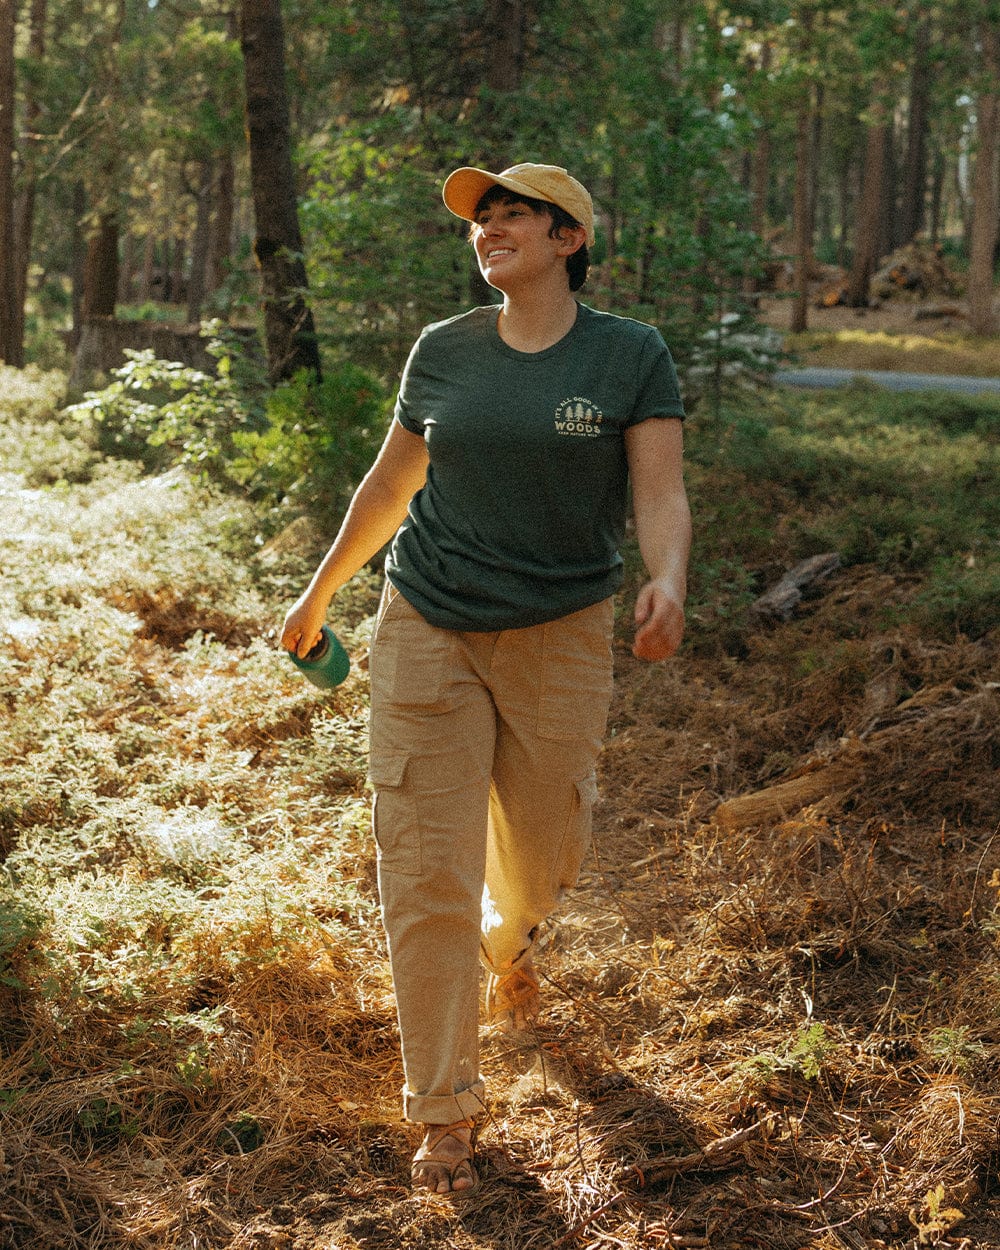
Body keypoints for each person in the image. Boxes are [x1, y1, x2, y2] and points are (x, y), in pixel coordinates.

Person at [281, 162, 691, 1196]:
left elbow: (660, 488)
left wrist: (668, 579)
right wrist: (320, 591)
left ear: (568, 240)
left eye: (514, 216)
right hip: (427, 621)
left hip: (558, 629)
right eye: (481, 219)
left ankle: (510, 944)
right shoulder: (444, 351)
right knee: (422, 862)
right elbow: (389, 479)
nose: (489, 229)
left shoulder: (627, 353)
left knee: (547, 843)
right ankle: (447, 1106)